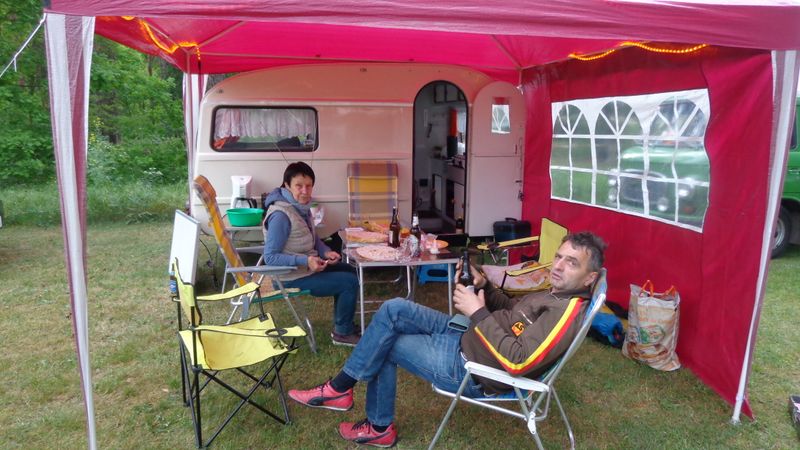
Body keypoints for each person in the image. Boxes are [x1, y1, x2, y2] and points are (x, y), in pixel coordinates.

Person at [287, 231, 606, 447]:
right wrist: (486, 287)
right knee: (394, 309)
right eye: (559, 257)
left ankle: (373, 423)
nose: (558, 266)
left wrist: (477, 312)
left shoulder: (566, 311)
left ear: (590, 277)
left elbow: (519, 361)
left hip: (471, 367)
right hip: (466, 335)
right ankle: (341, 390)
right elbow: (513, 314)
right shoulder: (556, 293)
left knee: (386, 344)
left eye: (571, 262)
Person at [262, 161, 360, 346]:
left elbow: (312, 239)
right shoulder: (281, 215)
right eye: (299, 186)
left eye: (308, 186)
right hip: (289, 277)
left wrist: (326, 252)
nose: (305, 191)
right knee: (349, 282)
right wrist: (306, 260)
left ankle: (344, 323)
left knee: (350, 270)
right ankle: (342, 334)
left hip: (305, 268)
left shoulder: (300, 208)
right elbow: (270, 257)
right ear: (287, 185)